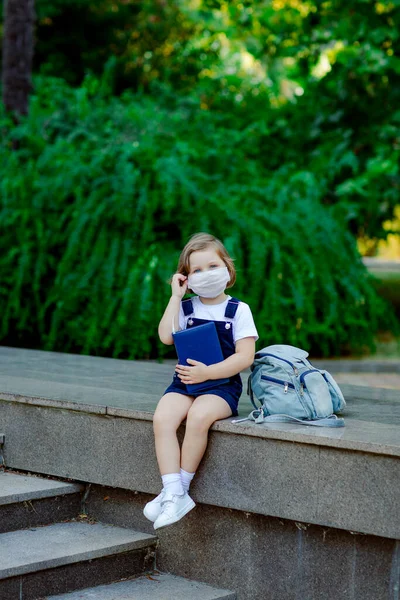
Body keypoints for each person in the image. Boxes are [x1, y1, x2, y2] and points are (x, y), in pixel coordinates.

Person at [144, 232, 258, 530]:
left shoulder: (238, 310)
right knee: (163, 419)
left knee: (197, 418)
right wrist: (175, 297)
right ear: (185, 277)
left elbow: (244, 357)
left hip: (220, 386)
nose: (205, 274)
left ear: (227, 269)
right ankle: (172, 491)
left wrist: (208, 372)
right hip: (184, 382)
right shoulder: (186, 308)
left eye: (212, 266)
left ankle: (178, 490)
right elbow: (166, 337)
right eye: (196, 270)